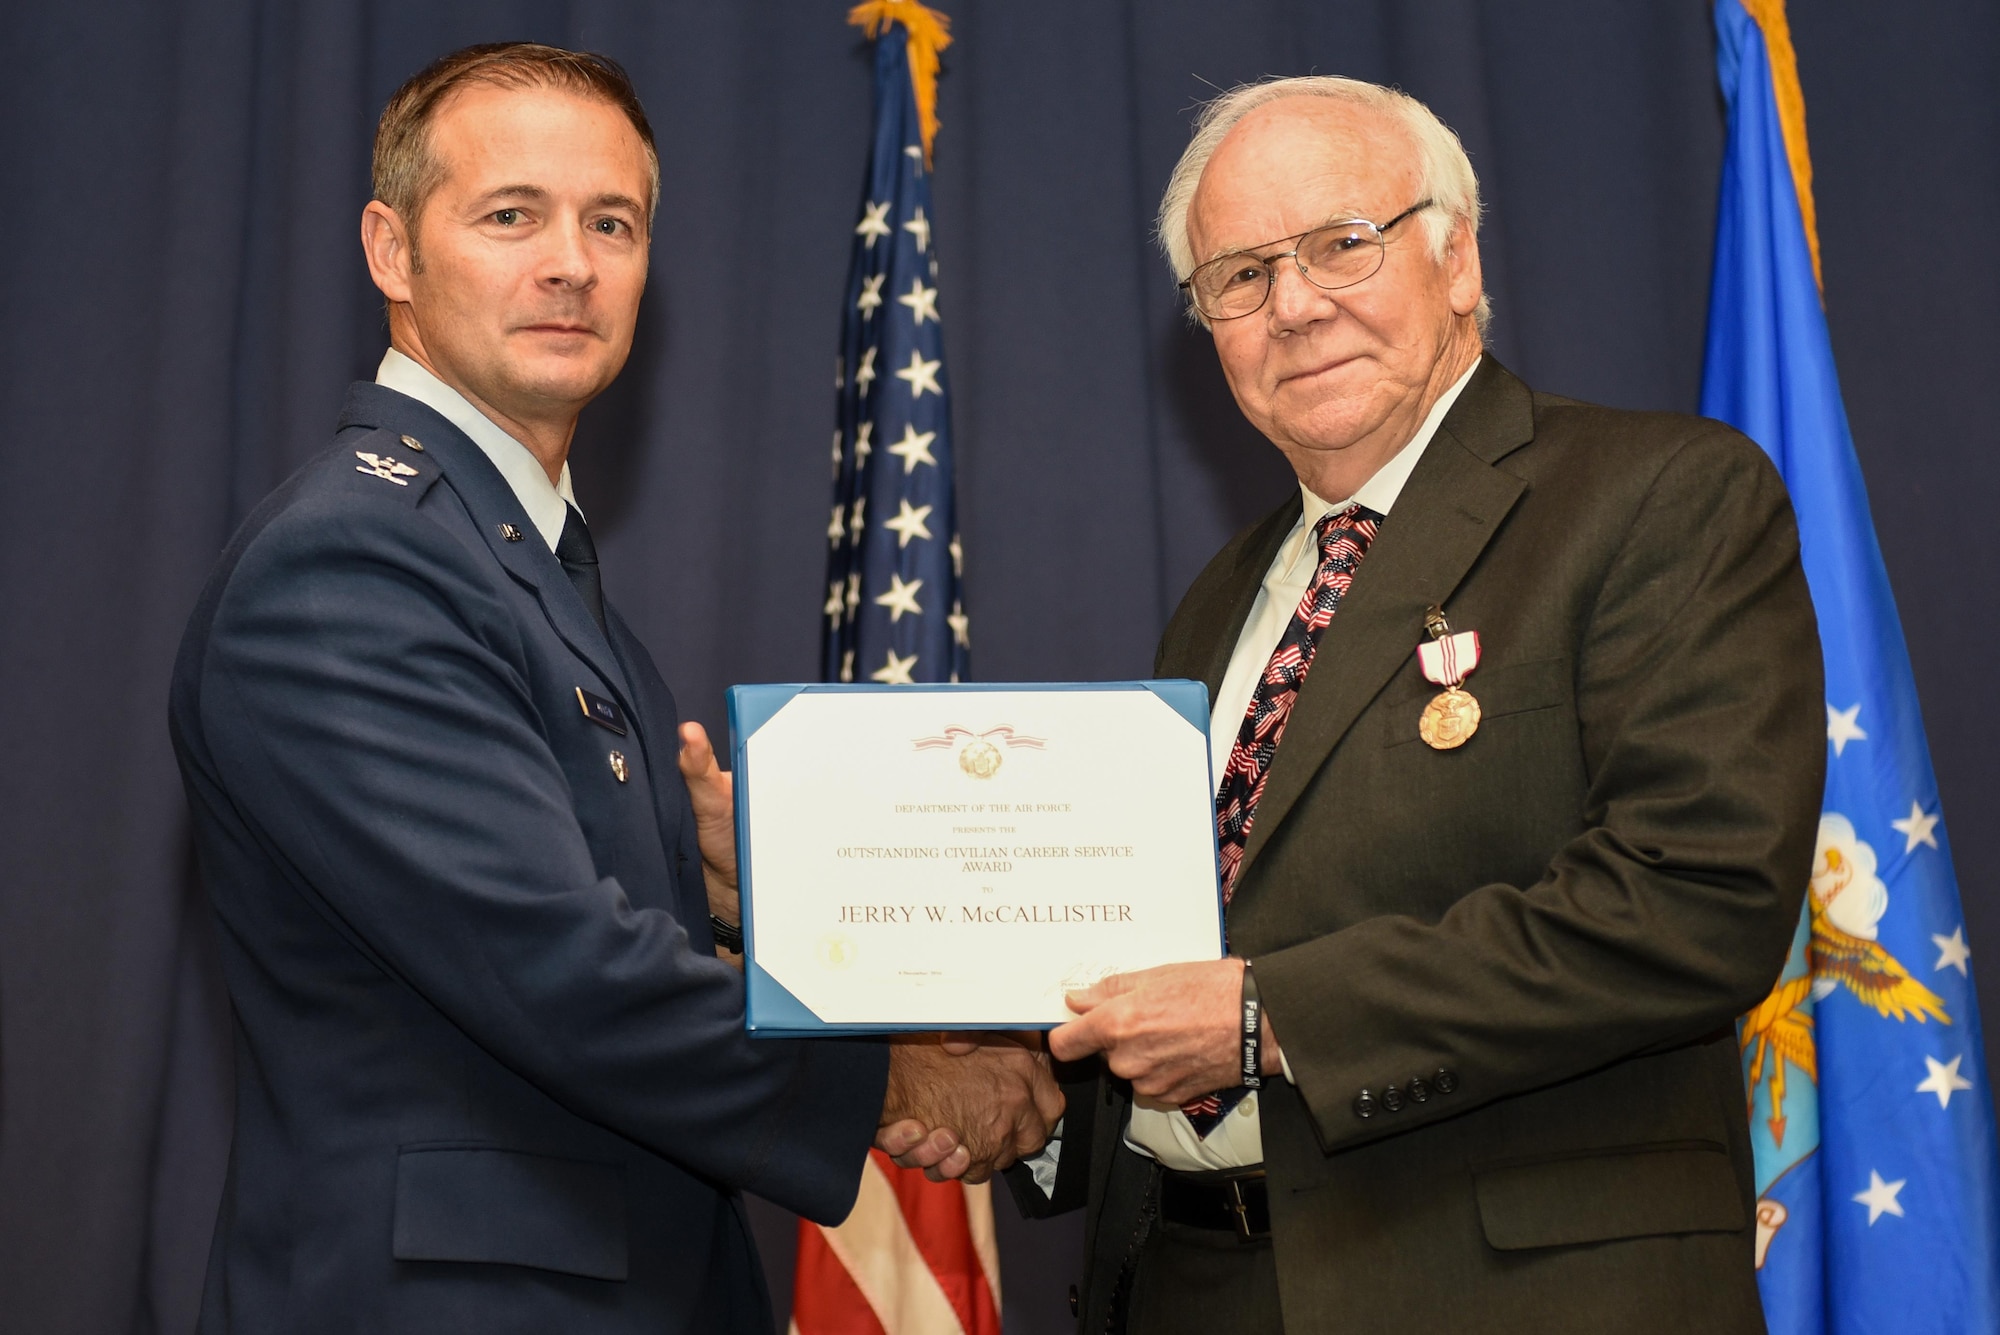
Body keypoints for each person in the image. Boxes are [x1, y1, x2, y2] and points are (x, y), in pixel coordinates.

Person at [169, 43, 1058, 1334]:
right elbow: (557, 966)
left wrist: (741, 881)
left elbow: (552, 906)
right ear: (391, 249)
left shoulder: (516, 556)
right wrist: (895, 1073)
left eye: (613, 221)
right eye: (510, 215)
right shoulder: (353, 559)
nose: (572, 262)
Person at [997, 76, 1823, 1333]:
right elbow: (1192, 945)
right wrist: (1044, 1090)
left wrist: (1274, 1020)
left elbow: (1695, 904)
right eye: (1239, 276)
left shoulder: (1657, 497)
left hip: (1516, 1295)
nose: (1293, 306)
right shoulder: (1223, 599)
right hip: (1187, 1286)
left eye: (1339, 245)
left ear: (1456, 259)